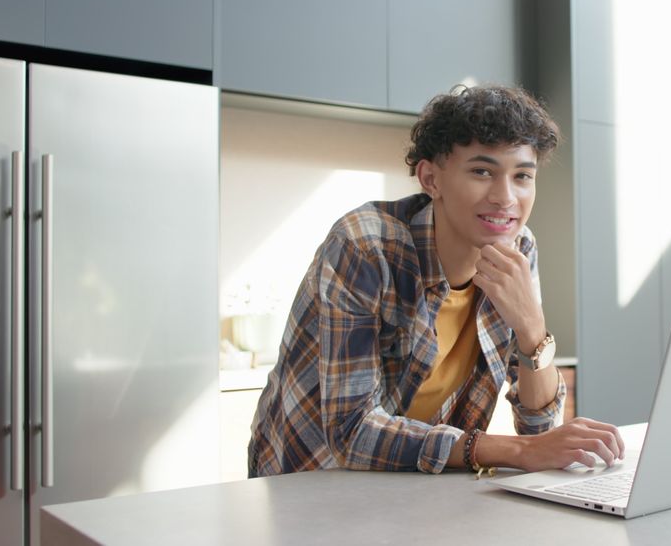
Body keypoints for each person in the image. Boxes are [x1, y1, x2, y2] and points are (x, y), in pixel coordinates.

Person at [248, 85, 625, 476]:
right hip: (308, 482)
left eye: (522, 176)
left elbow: (539, 426)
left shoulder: (519, 249)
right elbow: (351, 431)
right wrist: (516, 450)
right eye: (482, 171)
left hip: (413, 482)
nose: (505, 197)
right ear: (431, 179)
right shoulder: (366, 246)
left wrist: (532, 329)